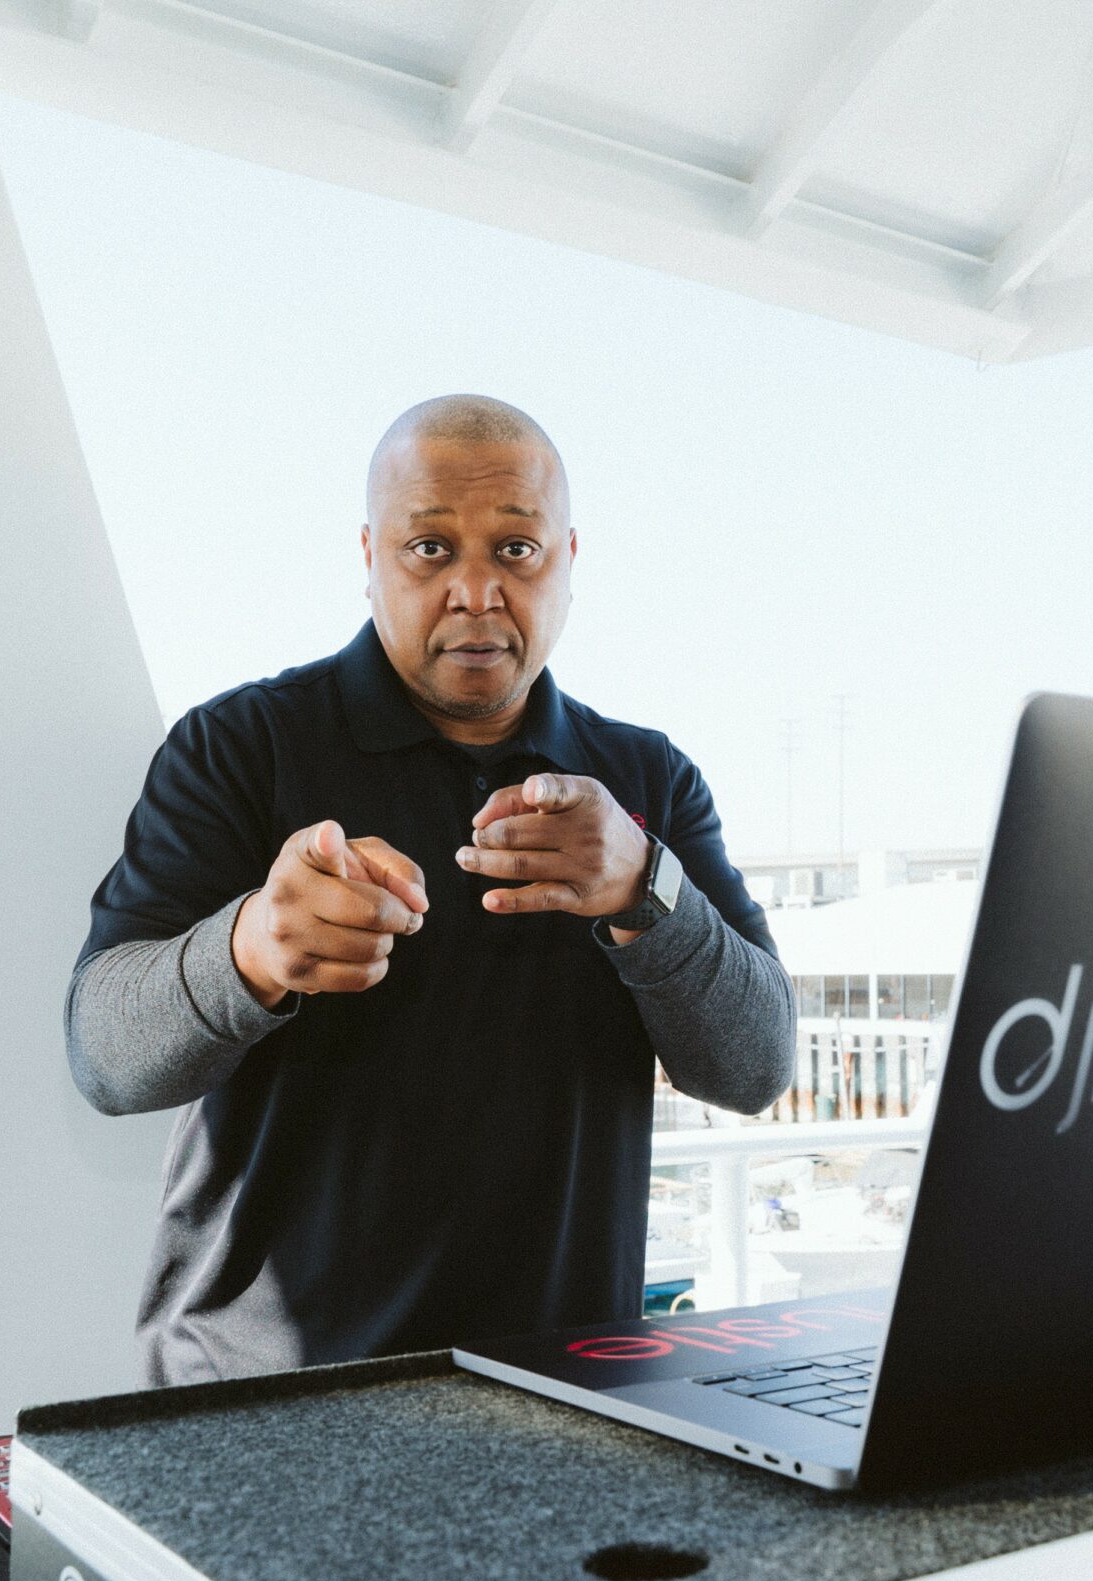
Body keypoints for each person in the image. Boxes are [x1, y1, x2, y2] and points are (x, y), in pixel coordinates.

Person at [67, 395, 795, 1384]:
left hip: (564, 1394)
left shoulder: (647, 781)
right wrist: (251, 947)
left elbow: (755, 1067)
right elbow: (104, 1053)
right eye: (429, 548)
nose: (476, 591)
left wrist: (642, 885)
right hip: (260, 1404)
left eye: (517, 549)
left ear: (569, 558)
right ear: (370, 556)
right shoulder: (241, 746)